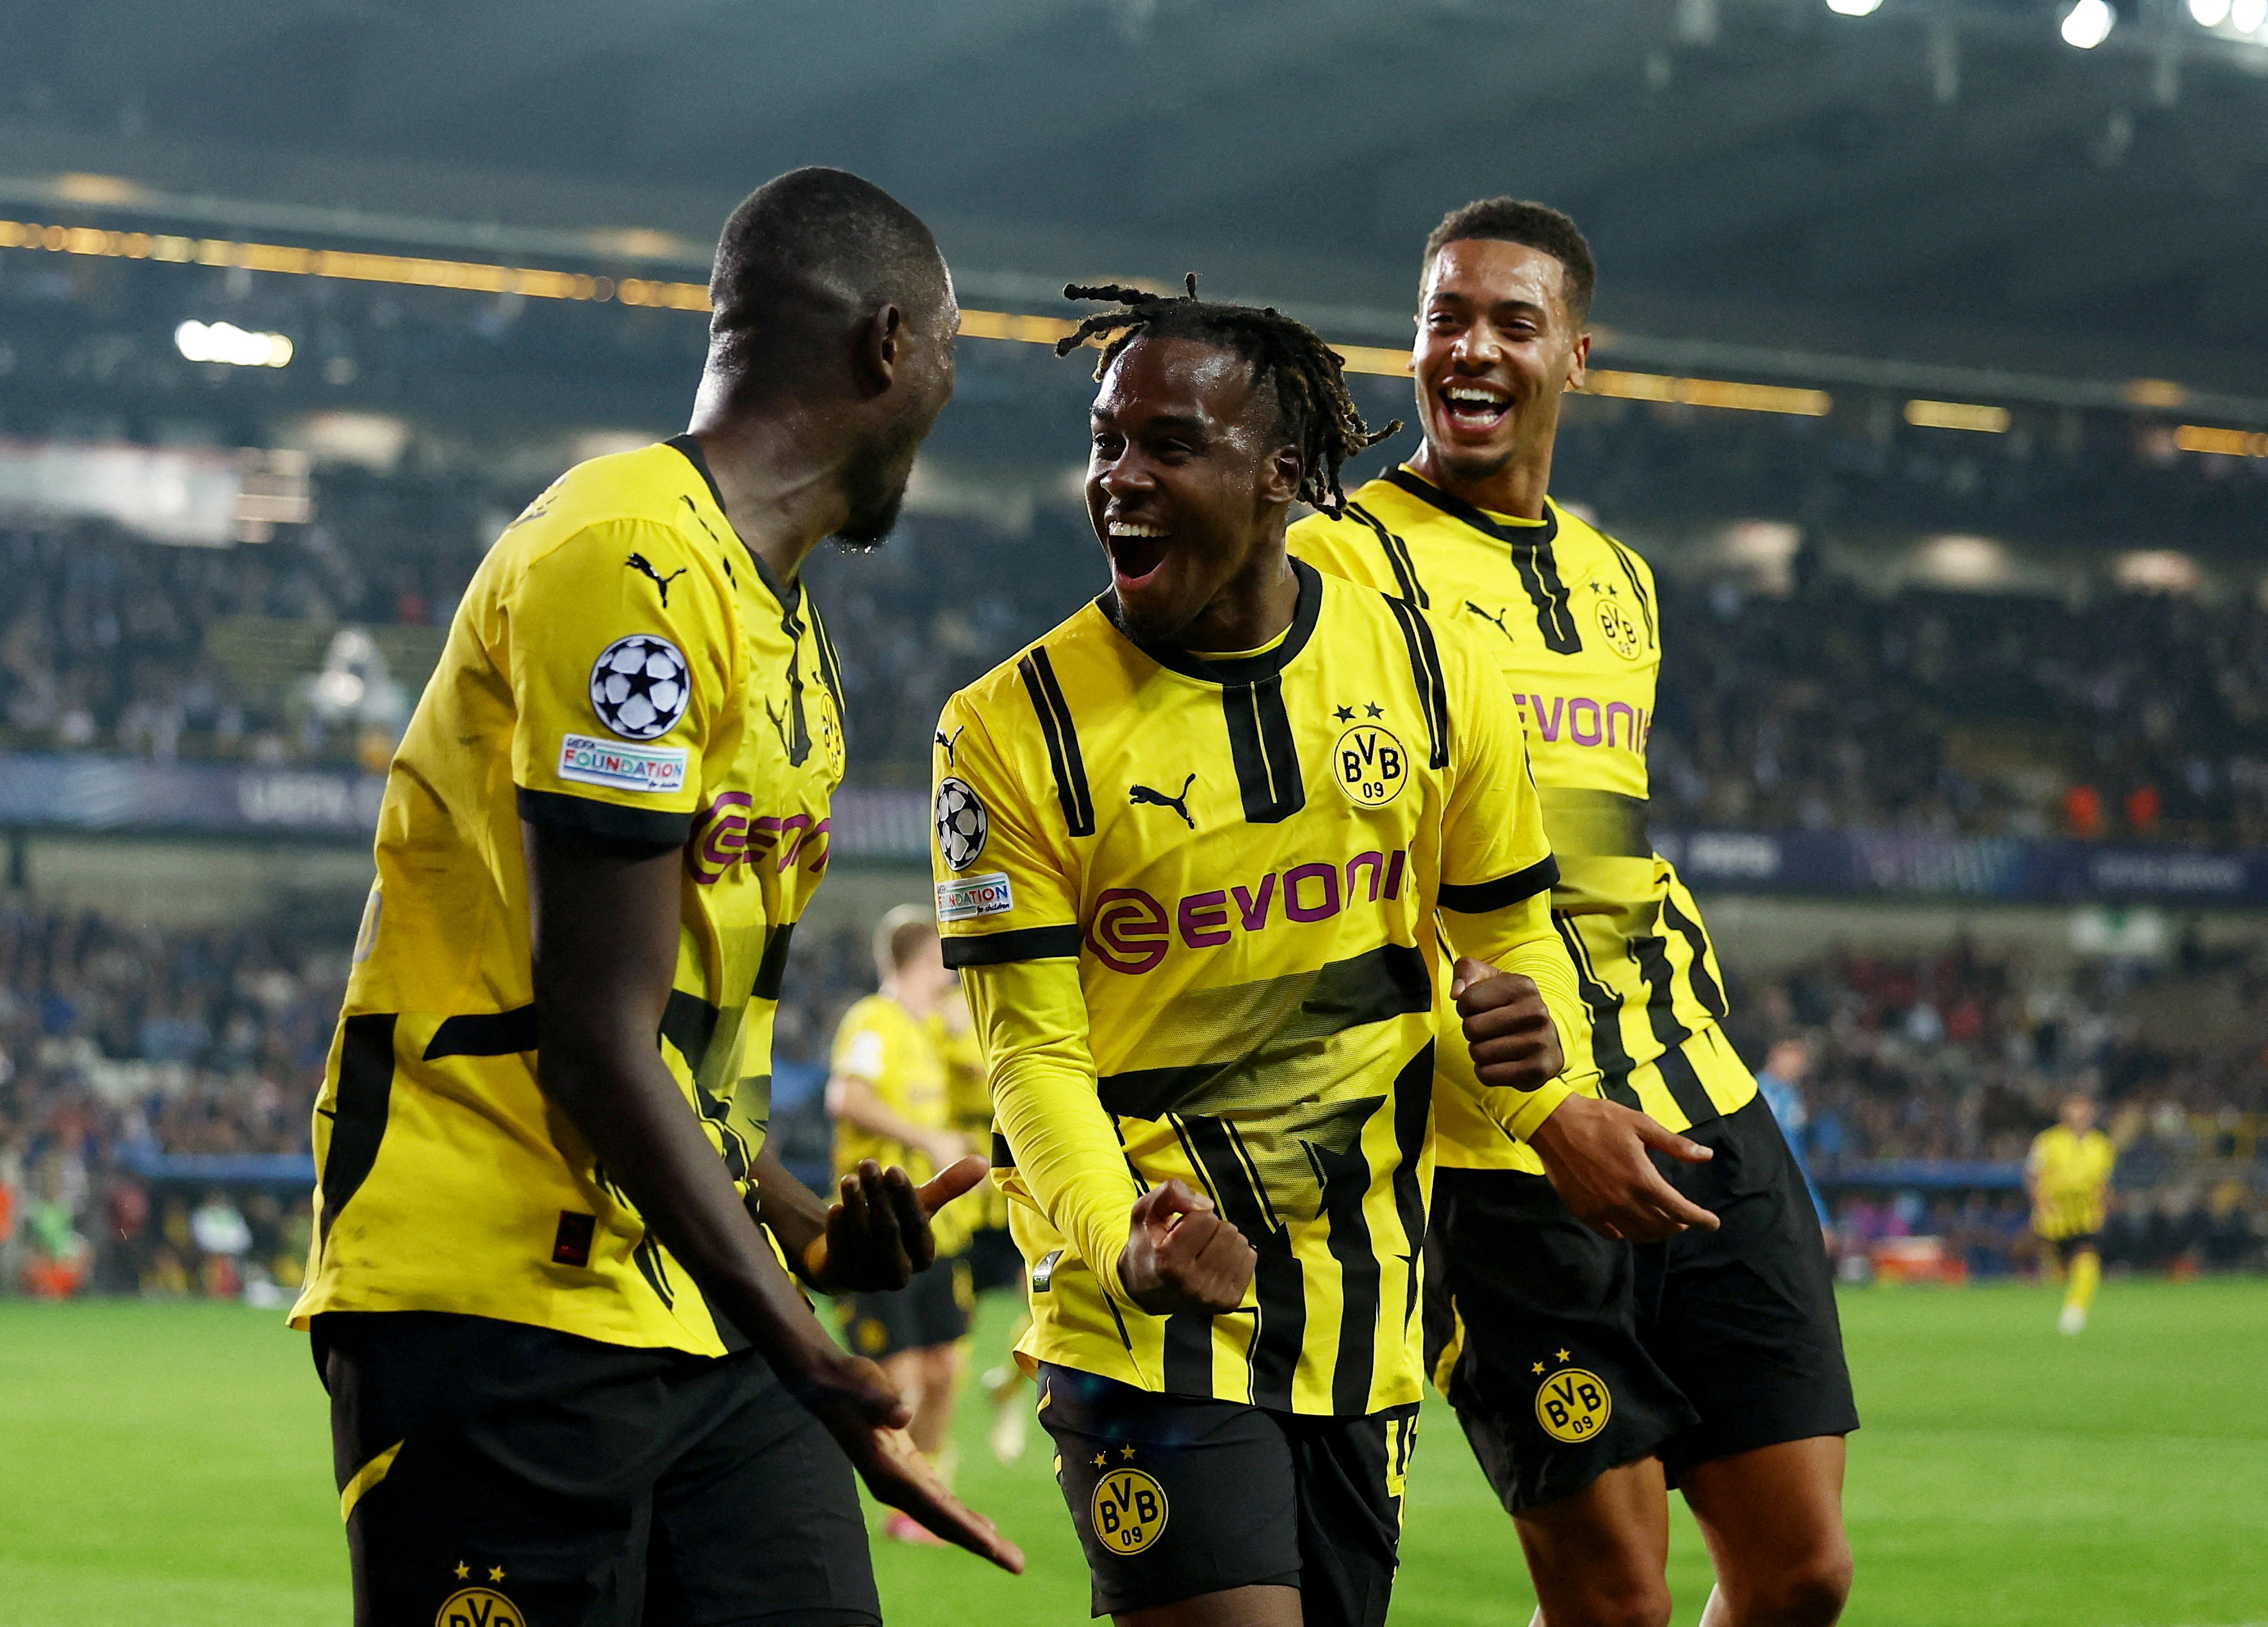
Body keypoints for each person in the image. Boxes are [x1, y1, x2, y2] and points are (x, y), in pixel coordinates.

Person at [289, 167, 1020, 1627]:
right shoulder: (630, 561)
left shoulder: (778, 619)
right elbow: (593, 1036)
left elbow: (671, 1054)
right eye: (950, 350)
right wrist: (809, 1345)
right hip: (497, 1305)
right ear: (888, 344)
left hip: (685, 1298)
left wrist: (806, 1229)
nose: (948, 392)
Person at [931, 279, 1714, 1627]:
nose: (1119, 479)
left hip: (1367, 1320)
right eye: (1107, 442)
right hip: (1144, 1317)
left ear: (1283, 475)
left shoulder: (1426, 663)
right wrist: (1124, 1239)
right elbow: (1033, 1053)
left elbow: (1503, 918)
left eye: (1168, 445)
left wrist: (1530, 1065)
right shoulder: (1010, 728)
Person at [1290, 199, 1857, 1627]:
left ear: (1578, 356)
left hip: (1698, 1095)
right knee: (1618, 1603)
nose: (1470, 349)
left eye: (1511, 322)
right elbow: (1347, 877)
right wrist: (1545, 1107)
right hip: (1497, 1144)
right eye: (1443, 319)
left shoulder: (1621, 584)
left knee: (1800, 1574)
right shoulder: (1340, 565)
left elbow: (1606, 848)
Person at [827, 904, 977, 1540]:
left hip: (940, 1233)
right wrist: (927, 1136)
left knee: (946, 1367)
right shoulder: (873, 1021)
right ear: (927, 960)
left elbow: (989, 1074)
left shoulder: (930, 1031)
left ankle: (930, 1483)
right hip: (881, 1230)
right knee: (904, 1374)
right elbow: (846, 1095)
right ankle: (906, 1498)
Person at [2026, 1094, 2115, 1334]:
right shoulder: (2047, 1142)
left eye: (2083, 1110)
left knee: (2087, 1258)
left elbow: (2104, 1182)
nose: (2079, 1115)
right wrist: (2040, 1204)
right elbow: (2033, 1176)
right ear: (2063, 1113)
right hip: (2054, 1219)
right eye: (2074, 1110)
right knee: (2056, 1275)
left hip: (2086, 1217)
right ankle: (2051, 1315)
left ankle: (2075, 1311)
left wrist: (2106, 1206)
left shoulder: (2102, 1145)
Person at [1755, 1037, 1832, 1236]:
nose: (1799, 1065)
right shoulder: (1757, 1092)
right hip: (1763, 1193)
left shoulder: (1789, 1095)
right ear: (1776, 1054)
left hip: (1782, 1193)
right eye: (1793, 1055)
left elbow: (1797, 1161)